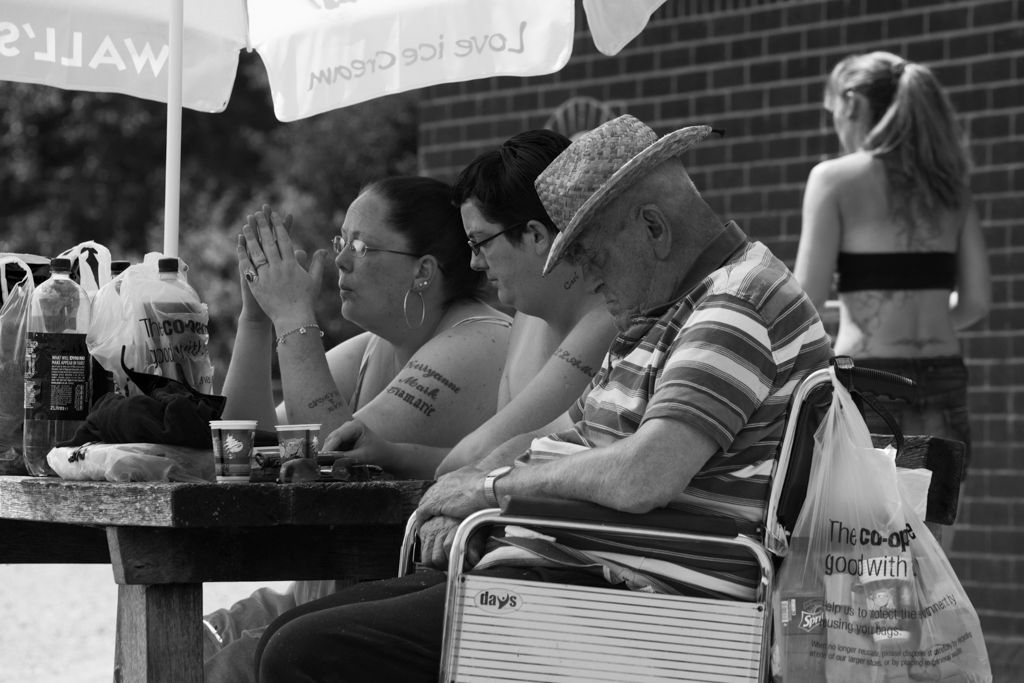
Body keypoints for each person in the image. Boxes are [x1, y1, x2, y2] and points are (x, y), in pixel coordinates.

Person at [253, 115, 833, 682]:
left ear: (653, 229)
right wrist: (470, 487)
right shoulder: (673, 308)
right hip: (585, 581)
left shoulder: (733, 308)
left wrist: (489, 490)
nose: (586, 277)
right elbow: (564, 436)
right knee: (292, 634)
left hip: (644, 610)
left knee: (302, 652)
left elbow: (647, 473)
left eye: (590, 254)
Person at [204, 176, 511, 674]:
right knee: (185, 642)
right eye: (340, 242)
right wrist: (256, 320)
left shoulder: (480, 340)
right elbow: (252, 444)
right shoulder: (379, 344)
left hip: (379, 619)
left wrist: (293, 316)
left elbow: (332, 454)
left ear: (423, 271)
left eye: (362, 246)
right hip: (323, 597)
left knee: (224, 668)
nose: (341, 260)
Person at [324, 129, 617, 480]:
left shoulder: (605, 317)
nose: (475, 263)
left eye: (480, 243)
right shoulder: (528, 313)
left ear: (536, 236)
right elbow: (493, 458)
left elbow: (487, 454)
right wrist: (392, 454)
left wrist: (292, 318)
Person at [793, 51, 990, 546]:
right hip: (944, 377)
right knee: (932, 552)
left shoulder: (834, 180)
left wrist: (855, 312)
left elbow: (806, 300)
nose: (835, 125)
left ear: (853, 103)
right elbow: (975, 302)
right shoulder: (950, 188)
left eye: (833, 112)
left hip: (873, 381)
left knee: (868, 552)